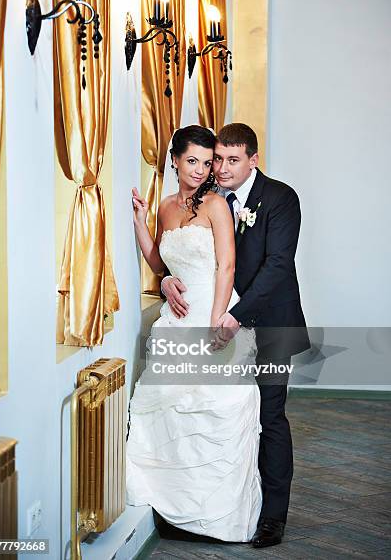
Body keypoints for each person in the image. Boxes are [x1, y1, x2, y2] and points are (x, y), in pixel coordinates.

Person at [162, 123, 310, 548]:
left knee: (269, 416)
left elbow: (278, 265)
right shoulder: (204, 200)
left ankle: (273, 519)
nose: (221, 169)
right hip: (221, 324)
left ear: (252, 160)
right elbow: (187, 258)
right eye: (217, 160)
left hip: (270, 327)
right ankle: (224, 507)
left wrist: (233, 315)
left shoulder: (280, 198)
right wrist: (167, 282)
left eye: (231, 160)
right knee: (225, 417)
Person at [126, 125, 263, 542]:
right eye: (194, 161)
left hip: (210, 313)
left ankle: (218, 518)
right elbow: (158, 260)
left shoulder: (218, 206)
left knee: (215, 408)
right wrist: (138, 222)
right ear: (174, 160)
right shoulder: (166, 207)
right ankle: (175, 509)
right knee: (170, 408)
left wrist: (218, 321)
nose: (203, 170)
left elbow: (226, 266)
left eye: (208, 163)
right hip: (176, 317)